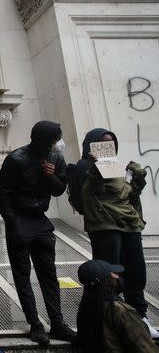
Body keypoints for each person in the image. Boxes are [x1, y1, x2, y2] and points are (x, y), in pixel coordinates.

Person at [68, 128, 158, 338]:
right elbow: (87, 197)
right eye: (103, 143)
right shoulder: (84, 167)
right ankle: (112, 316)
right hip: (105, 226)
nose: (108, 148)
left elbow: (126, 195)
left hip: (128, 223)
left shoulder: (116, 167)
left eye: (111, 144)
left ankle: (139, 316)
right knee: (109, 273)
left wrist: (137, 178)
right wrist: (95, 167)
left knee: (135, 269)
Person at [0, 121, 77, 345]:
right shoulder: (16, 159)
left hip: (41, 221)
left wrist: (51, 176)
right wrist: (12, 223)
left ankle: (57, 322)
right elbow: (2, 193)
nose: (58, 143)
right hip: (20, 220)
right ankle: (35, 322)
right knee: (22, 276)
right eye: (55, 139)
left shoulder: (55, 159)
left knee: (49, 275)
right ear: (44, 140)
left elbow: (59, 189)